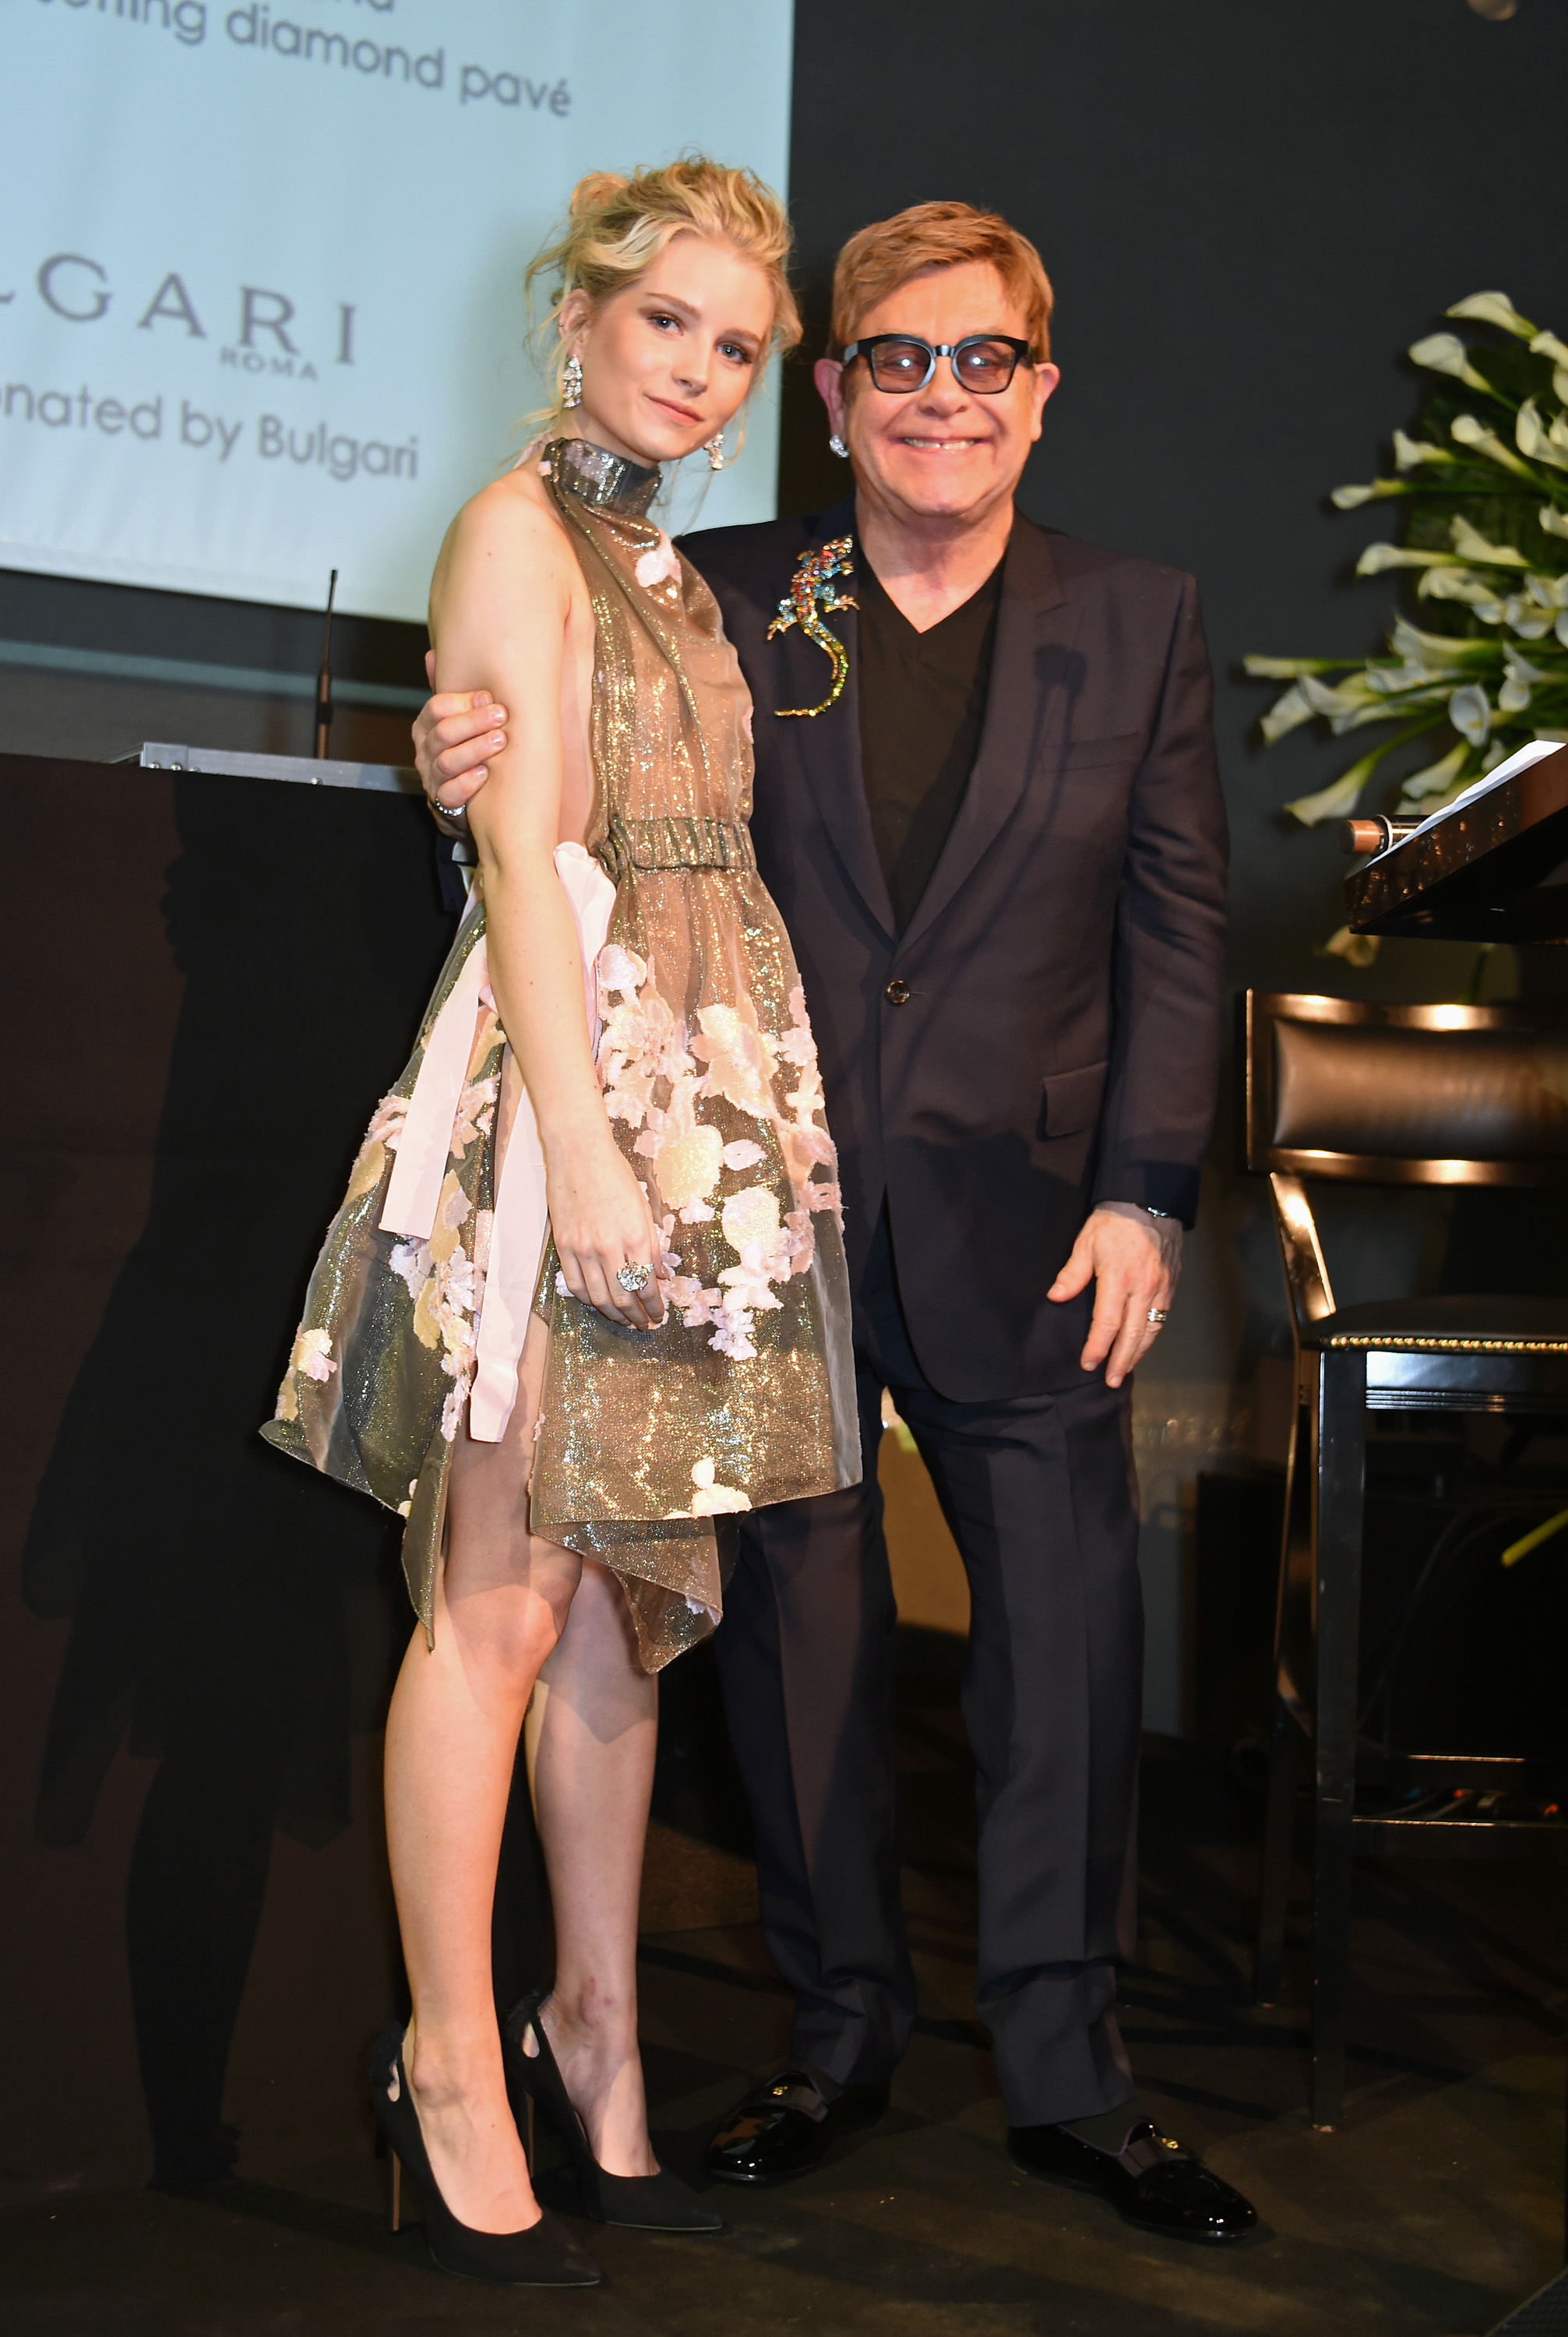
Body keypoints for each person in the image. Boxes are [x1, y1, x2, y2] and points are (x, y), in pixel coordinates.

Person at [416, 199, 1255, 2245]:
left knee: (1064, 1655)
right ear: (835, 393)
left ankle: (1072, 2074)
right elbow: (568, 819)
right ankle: (837, 2036)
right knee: (799, 1657)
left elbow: (1181, 925)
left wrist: (1148, 1191)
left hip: (1034, 1222)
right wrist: (450, 770)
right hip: (762, 1213)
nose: (940, 396)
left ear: (1041, 394)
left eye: (983, 361)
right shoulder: (716, 590)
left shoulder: (1140, 615)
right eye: (898, 359)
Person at [263, 159, 859, 2288]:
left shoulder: (676, 565)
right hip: (569, 1116)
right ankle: (447, 2065)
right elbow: (525, 862)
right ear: (580, 313)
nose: (698, 368)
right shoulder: (518, 532)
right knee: (502, 1601)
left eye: (736, 343)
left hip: (702, 1114)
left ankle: (595, 2034)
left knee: (623, 1605)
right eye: (666, 320)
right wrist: (590, 1159)